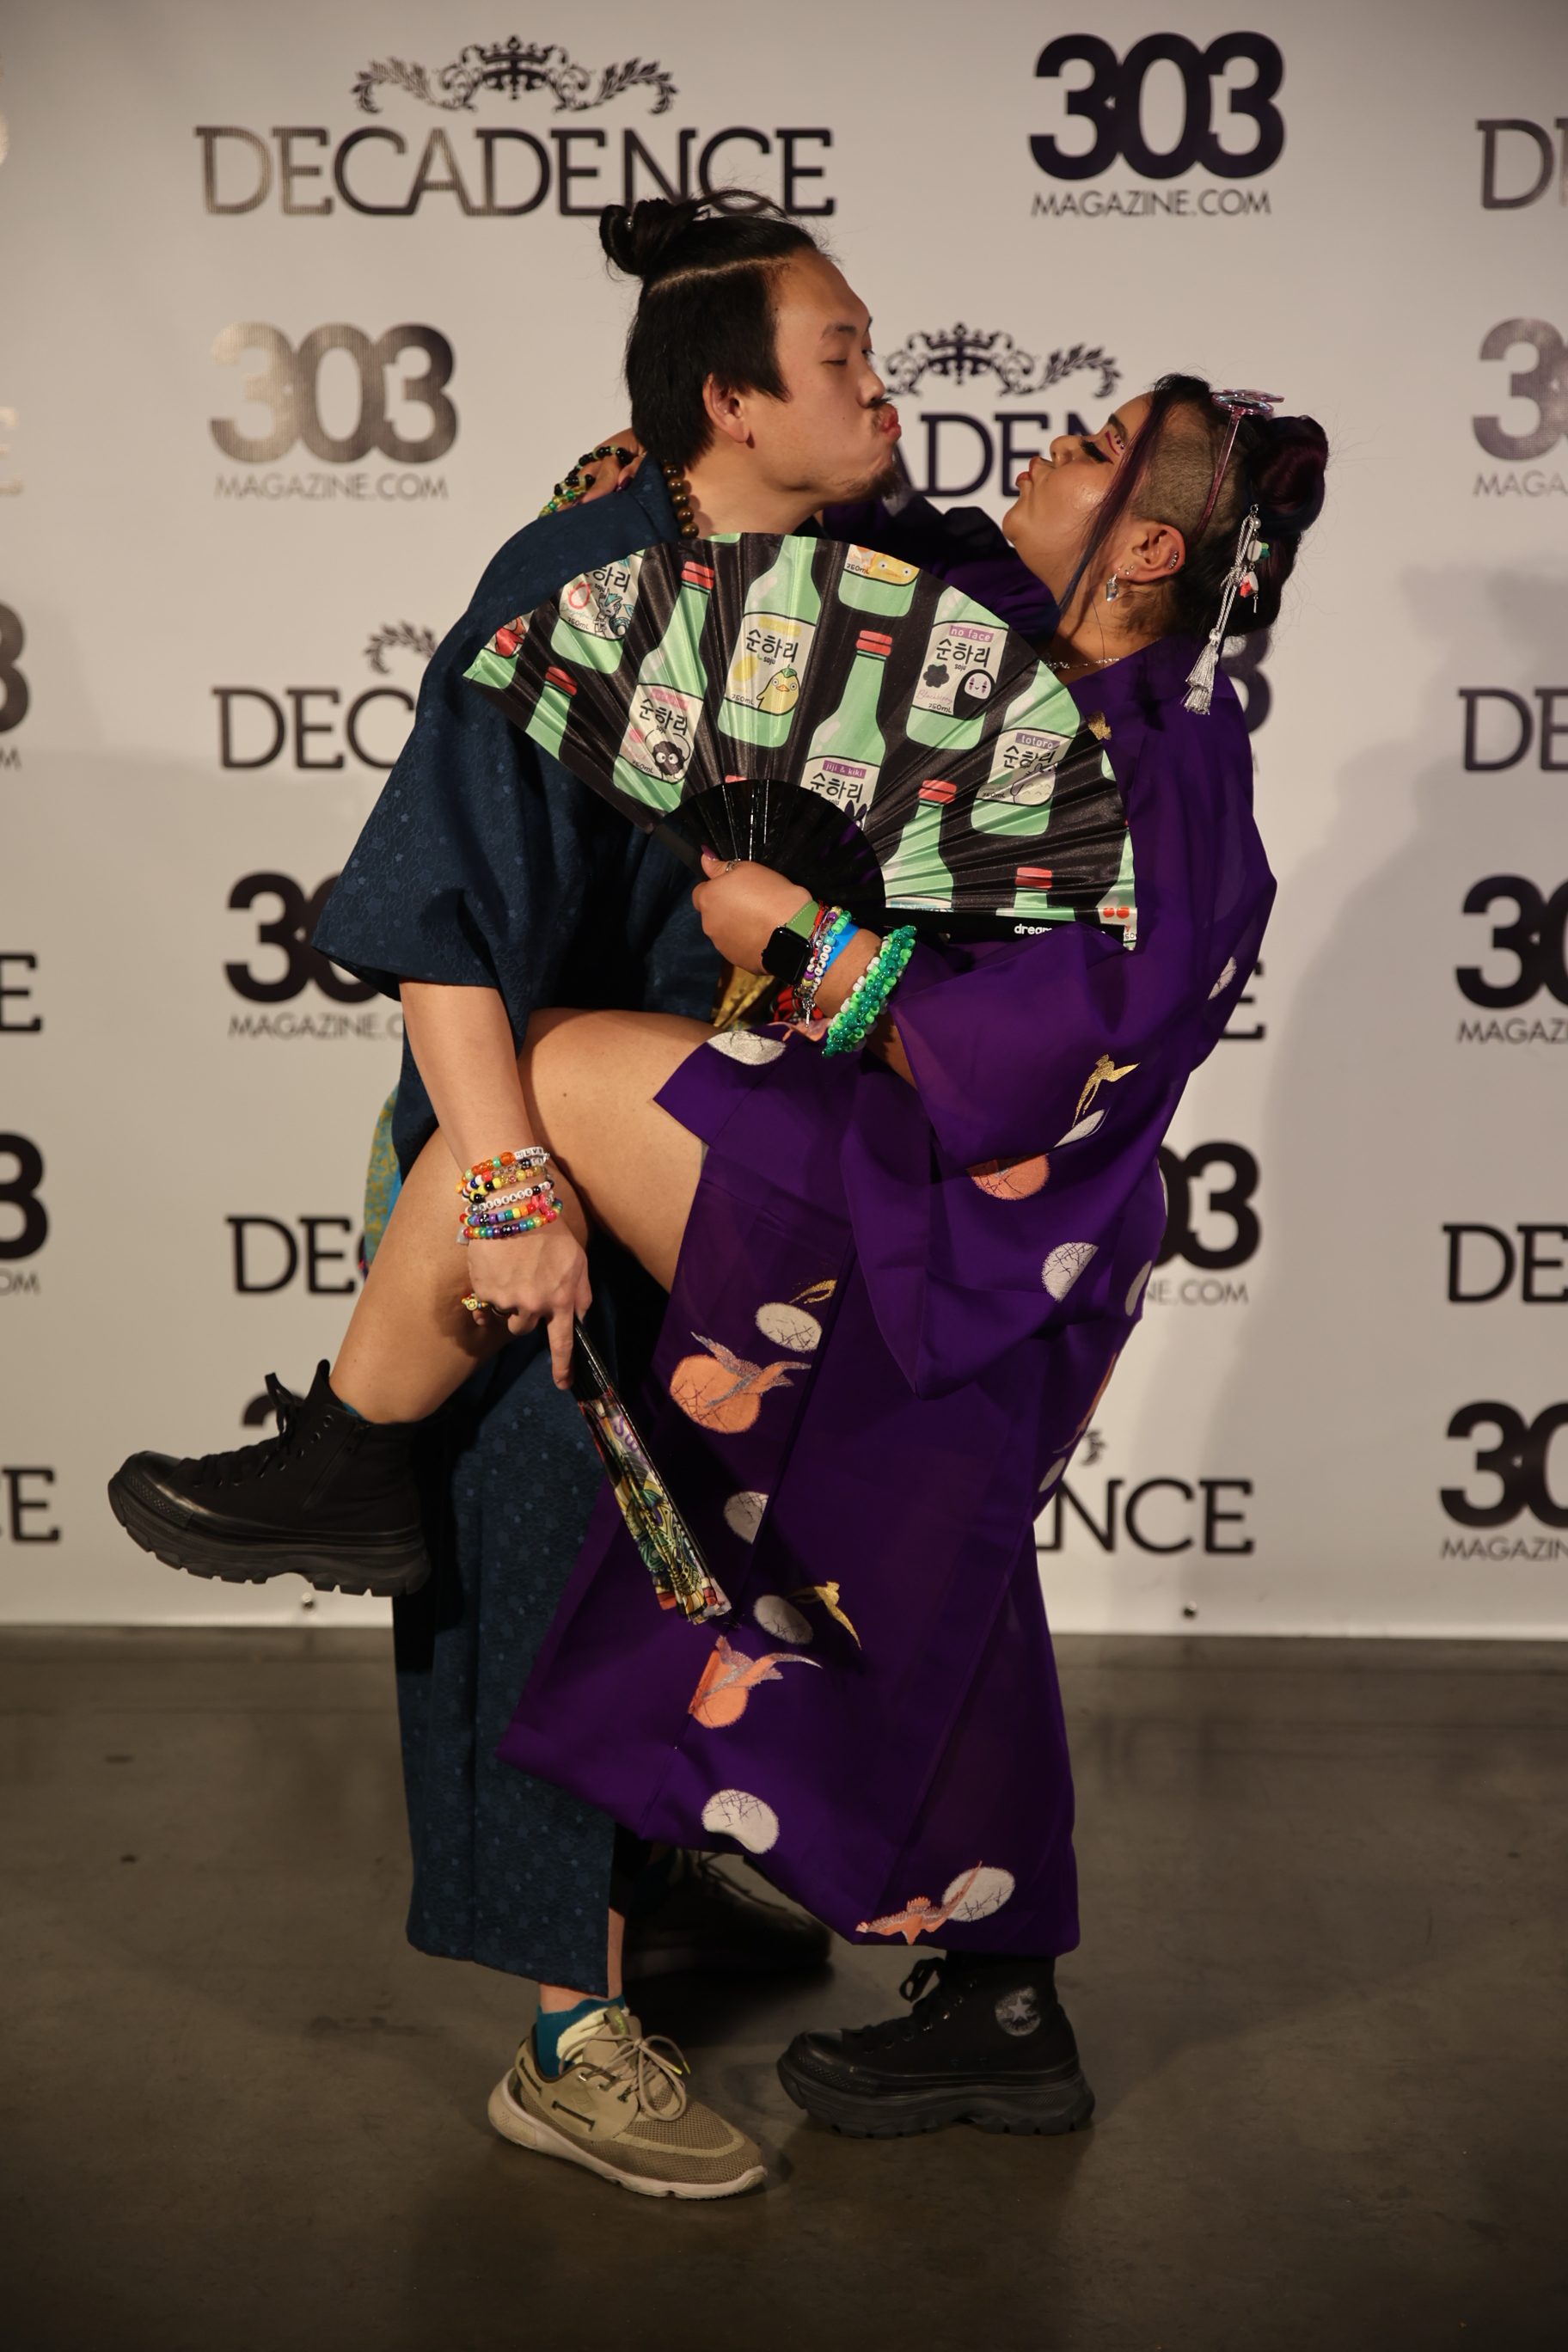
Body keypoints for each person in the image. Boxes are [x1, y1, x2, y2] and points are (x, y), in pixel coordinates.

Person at [114, 206, 1328, 2194]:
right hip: (684, 1161)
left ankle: (366, 1467)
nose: (952, 416)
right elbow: (450, 913)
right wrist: (507, 1176)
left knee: (828, 1516)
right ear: (736, 401)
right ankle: (620, 1988)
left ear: (1144, 551)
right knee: (596, 1467)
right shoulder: (684, 583)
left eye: (1094, 447)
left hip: (892, 1207)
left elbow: (1043, 1033)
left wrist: (810, 956)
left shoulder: (1100, 723)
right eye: (845, 354)